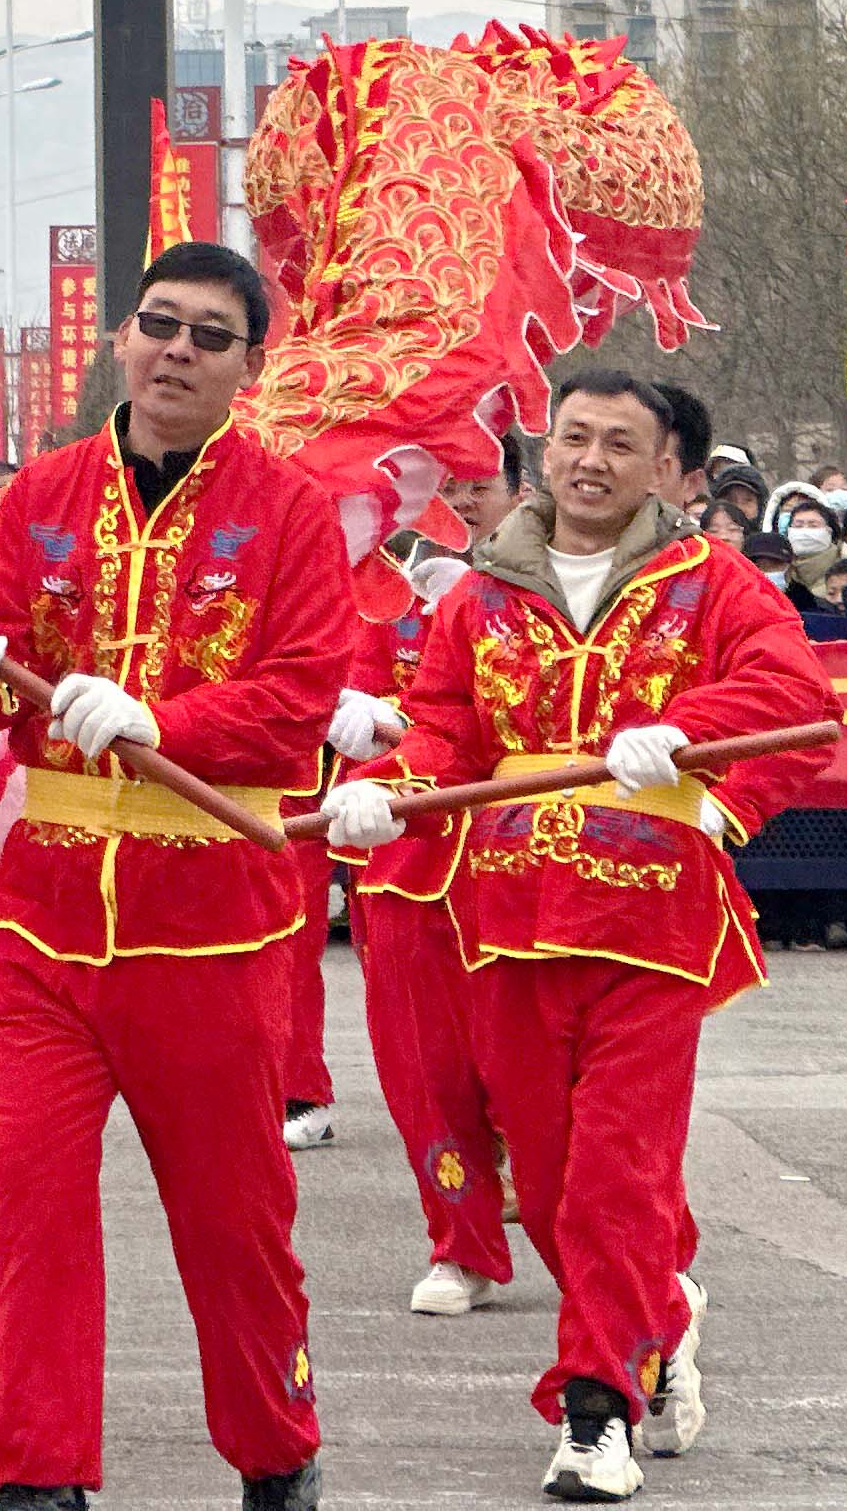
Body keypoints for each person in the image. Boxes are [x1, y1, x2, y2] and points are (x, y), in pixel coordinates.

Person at [320, 368, 829, 1502]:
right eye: (571, 440)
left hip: (653, 929)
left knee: (612, 1173)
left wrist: (689, 740)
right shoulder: (479, 598)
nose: (589, 460)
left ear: (669, 471)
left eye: (619, 443)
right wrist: (382, 788)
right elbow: (446, 729)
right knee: (547, 1183)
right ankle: (661, 1308)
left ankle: (595, 1409)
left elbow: (801, 707)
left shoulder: (717, 585)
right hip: (506, 918)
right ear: (542, 458)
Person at [0, 243, 348, 1511]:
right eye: (159, 324)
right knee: (27, 1209)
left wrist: (165, 722)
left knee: (235, 1226)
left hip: (210, 932)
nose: (177, 351)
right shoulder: (41, 494)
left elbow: (298, 701)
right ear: (119, 336)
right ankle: (36, 1480)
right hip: (46, 929)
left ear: (246, 368)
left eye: (210, 336)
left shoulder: (288, 510)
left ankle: (277, 1451)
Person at [320, 442, 524, 1322]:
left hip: (524, 851)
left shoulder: (554, 585)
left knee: (540, 1062)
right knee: (422, 1065)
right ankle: (461, 1242)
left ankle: (606, 1240)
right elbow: (353, 694)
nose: (463, 504)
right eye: (446, 489)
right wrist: (360, 732)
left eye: (479, 486)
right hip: (406, 852)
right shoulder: (383, 583)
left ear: (520, 486)